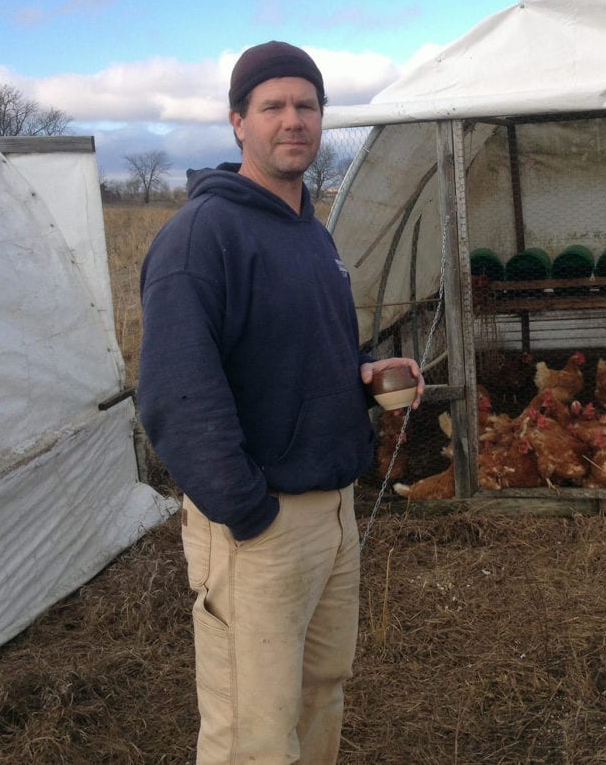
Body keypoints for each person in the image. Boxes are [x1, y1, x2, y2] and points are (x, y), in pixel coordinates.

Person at [137, 40, 423, 764]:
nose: (292, 120)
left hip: (332, 513)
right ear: (238, 122)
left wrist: (363, 371)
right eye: (273, 106)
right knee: (252, 733)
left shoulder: (313, 235)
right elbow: (175, 394)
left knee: (321, 690)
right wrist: (248, 511)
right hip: (258, 527)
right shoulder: (202, 238)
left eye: (306, 105)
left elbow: (311, 347)